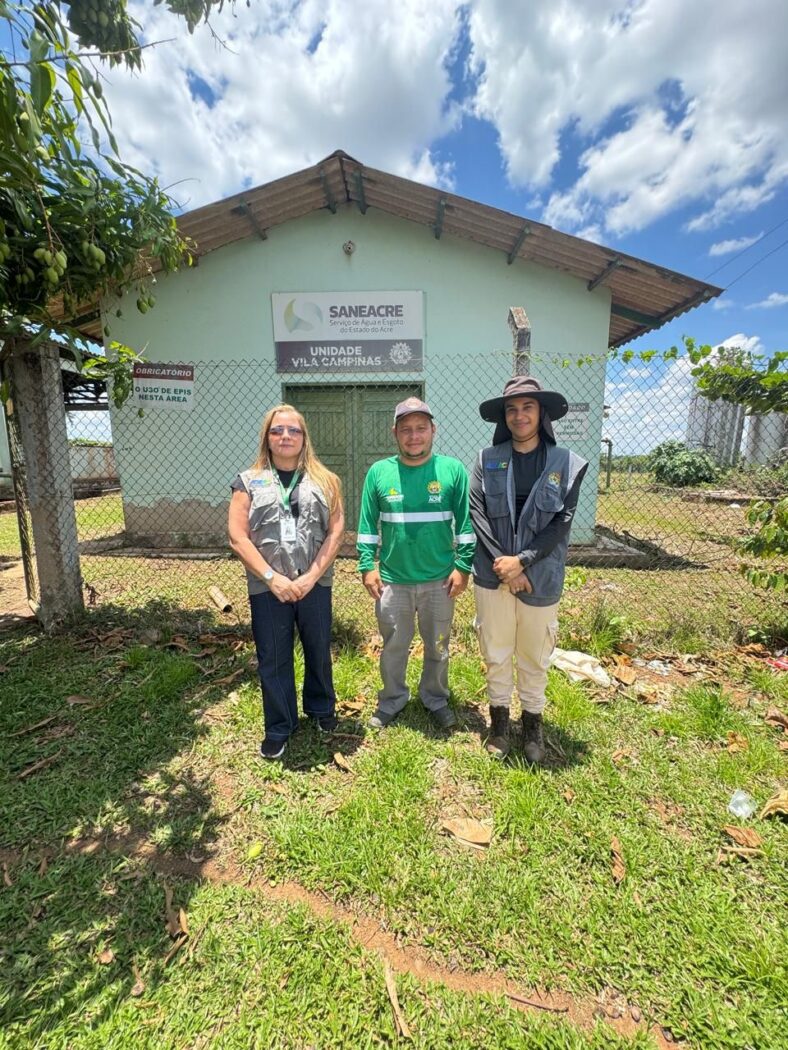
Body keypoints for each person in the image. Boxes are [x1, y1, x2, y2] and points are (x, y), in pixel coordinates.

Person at [470, 376, 588, 762]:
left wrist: (522, 561)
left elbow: (561, 524)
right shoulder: (486, 459)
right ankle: (500, 723)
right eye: (512, 409)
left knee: (534, 654)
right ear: (504, 417)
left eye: (528, 407)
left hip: (541, 575)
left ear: (542, 414)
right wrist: (505, 565)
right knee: (496, 650)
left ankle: (533, 724)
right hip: (492, 573)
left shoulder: (566, 463)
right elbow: (477, 514)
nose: (519, 415)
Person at [228, 404, 344, 759]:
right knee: (273, 656)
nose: (285, 437)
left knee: (318, 649)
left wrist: (311, 577)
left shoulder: (327, 481)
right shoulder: (247, 482)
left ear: (304, 437)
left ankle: (321, 709)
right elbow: (237, 537)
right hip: (267, 587)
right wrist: (272, 578)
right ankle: (279, 725)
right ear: (267, 437)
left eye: (293, 430)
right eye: (277, 430)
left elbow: (337, 531)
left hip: (315, 584)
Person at [357, 397, 475, 730]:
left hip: (441, 579)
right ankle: (392, 700)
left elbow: (466, 525)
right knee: (394, 645)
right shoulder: (379, 472)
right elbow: (367, 526)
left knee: (438, 645)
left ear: (433, 430)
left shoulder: (452, 470)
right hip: (393, 580)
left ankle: (435, 698)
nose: (414, 436)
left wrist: (463, 567)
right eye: (406, 429)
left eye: (421, 428)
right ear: (394, 432)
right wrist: (367, 566)